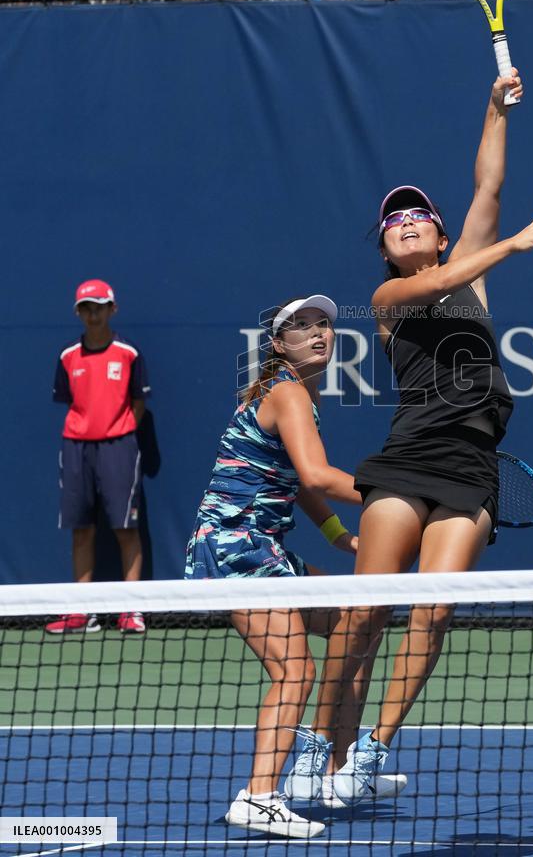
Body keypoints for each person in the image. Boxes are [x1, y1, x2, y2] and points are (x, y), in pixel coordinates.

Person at [300, 70, 533, 805]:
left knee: (436, 610)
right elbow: (468, 255)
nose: (408, 220)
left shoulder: (467, 278)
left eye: (420, 215)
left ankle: (370, 752)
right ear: (387, 250)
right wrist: (510, 248)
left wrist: (494, 107)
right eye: (395, 221)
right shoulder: (389, 297)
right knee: (365, 616)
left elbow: (488, 188)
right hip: (407, 461)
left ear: (442, 234)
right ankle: (318, 747)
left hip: (471, 467)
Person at [185, 295, 402, 839]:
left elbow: (300, 483)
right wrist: (401, 494)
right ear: (279, 344)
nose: (318, 332)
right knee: (297, 670)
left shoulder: (298, 394)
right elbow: (320, 475)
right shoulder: (286, 392)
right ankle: (258, 796)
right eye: (302, 326)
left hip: (265, 547)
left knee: (363, 618)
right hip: (237, 547)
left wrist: (338, 535)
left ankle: (337, 774)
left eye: (324, 324)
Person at [47, 280, 150, 635]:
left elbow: (138, 404)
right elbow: (71, 401)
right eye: (86, 308)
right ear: (79, 313)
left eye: (99, 306)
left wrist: (118, 432)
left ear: (112, 309)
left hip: (119, 448)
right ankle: (82, 612)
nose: (93, 314)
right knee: (81, 529)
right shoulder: (67, 356)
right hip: (76, 448)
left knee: (126, 528)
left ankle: (132, 610)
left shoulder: (128, 353)